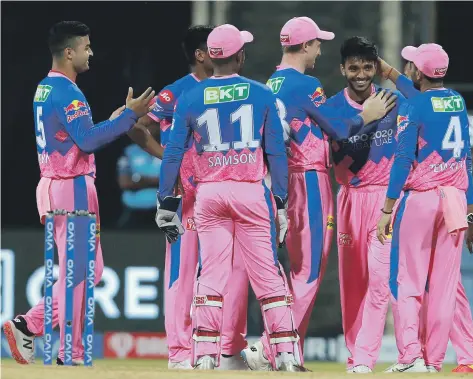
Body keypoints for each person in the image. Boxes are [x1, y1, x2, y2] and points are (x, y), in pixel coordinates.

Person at [242, 17, 396, 371]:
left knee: (294, 270)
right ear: (306, 45)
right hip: (307, 181)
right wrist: (367, 116)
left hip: (276, 181)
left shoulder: (270, 83)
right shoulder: (306, 85)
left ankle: (284, 352)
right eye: (317, 44)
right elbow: (339, 131)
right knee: (308, 272)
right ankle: (269, 349)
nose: (320, 50)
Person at [2, 21, 154, 365]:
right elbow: (86, 140)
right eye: (86, 47)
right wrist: (129, 117)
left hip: (57, 185)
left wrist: (117, 118)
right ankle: (29, 326)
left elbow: (78, 135)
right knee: (80, 273)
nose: (91, 53)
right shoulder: (67, 91)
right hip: (71, 188)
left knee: (89, 272)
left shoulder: (45, 87)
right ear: (69, 52)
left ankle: (71, 350)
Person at [155, 24, 304, 372]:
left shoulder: (191, 98)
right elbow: (276, 153)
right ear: (239, 56)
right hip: (250, 191)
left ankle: (205, 356)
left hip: (208, 193)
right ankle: (285, 355)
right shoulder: (261, 93)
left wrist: (166, 201)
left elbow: (174, 152)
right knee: (268, 275)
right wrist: (280, 200)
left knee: (210, 274)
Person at [130, 25, 249, 370]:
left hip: (220, 190)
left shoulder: (229, 90)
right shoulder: (175, 92)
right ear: (201, 54)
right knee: (182, 272)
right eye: (212, 47)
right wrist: (172, 161)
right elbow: (137, 127)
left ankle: (216, 346)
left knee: (221, 271)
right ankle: (180, 352)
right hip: (185, 197)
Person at [378, 48, 473, 374]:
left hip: (422, 199)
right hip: (455, 201)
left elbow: (401, 159)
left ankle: (410, 356)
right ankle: (433, 364)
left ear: (417, 69)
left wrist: (387, 207)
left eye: (409, 64)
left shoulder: (413, 106)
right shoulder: (456, 101)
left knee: (407, 282)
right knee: (444, 289)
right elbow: (466, 159)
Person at [327, 36, 405, 373]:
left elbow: (423, 97)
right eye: (354, 67)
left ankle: (365, 359)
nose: (361, 74)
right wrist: (363, 119)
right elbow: (329, 154)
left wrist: (391, 72)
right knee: (352, 285)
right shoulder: (330, 107)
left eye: (368, 66)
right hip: (348, 201)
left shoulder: (394, 99)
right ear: (343, 69)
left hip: (386, 201)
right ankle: (353, 356)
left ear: (376, 67)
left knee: (379, 281)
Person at [116, 137, 161, 228]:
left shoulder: (172, 150)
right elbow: (125, 183)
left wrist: (140, 180)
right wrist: (158, 181)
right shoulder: (128, 152)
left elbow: (176, 182)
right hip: (133, 211)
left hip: (164, 211)